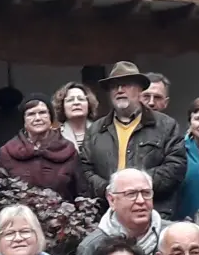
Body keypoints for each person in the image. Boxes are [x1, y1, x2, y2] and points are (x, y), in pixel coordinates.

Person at [79, 61, 187, 201]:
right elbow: (85, 169)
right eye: (114, 86)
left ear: (140, 90)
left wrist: (135, 187)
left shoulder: (166, 126)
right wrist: (108, 189)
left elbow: (175, 167)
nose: (119, 90)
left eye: (126, 85)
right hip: (107, 211)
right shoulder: (95, 130)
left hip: (152, 211)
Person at [0, 95, 81, 200]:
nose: (37, 118)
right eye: (31, 114)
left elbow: (81, 192)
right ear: (23, 120)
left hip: (62, 214)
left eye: (42, 113)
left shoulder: (68, 150)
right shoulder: (7, 152)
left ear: (50, 117)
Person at [78, 169, 164, 255]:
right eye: (131, 194)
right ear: (112, 200)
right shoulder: (92, 247)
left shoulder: (171, 236)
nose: (141, 200)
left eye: (146, 193)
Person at [55, 81, 97, 148]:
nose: (76, 103)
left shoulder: (100, 131)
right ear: (62, 107)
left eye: (81, 99)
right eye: (70, 100)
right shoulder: (54, 136)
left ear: (89, 105)